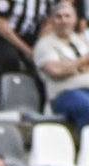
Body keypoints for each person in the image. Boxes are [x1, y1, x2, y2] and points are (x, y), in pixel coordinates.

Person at [35, 3, 89, 136]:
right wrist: (82, 62)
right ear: (52, 21)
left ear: (75, 19)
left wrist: (69, 66)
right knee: (86, 107)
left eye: (67, 16)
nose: (63, 21)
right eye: (58, 17)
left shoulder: (81, 41)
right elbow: (55, 71)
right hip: (64, 94)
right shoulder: (45, 45)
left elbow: (64, 68)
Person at [0, 0, 53, 75]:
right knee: (10, 60)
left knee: (47, 58)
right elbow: (1, 25)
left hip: (27, 34)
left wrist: (38, 47)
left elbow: (48, 22)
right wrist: (27, 51)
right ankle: (3, 86)